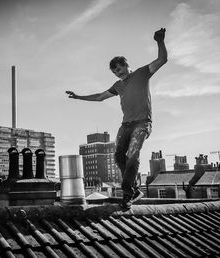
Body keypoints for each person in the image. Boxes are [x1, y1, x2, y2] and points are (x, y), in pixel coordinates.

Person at [66, 28, 167, 209]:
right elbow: (99, 97)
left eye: (120, 69)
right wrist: (78, 96)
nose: (119, 73)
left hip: (142, 123)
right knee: (119, 156)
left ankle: (127, 193)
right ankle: (135, 189)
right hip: (125, 125)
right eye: (115, 72)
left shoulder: (142, 73)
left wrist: (159, 41)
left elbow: (162, 60)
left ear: (127, 65)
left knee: (132, 155)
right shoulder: (117, 86)